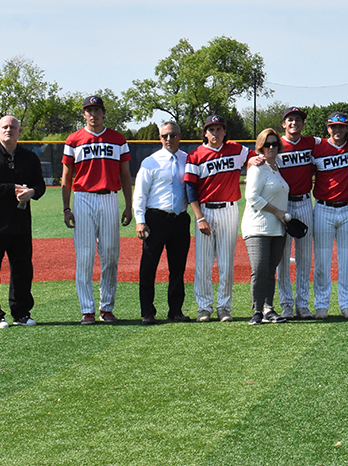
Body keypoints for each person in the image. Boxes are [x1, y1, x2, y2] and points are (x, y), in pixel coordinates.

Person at [62, 95, 133, 324]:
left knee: (111, 255)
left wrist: (128, 206)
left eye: (97, 110)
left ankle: (107, 307)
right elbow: (66, 177)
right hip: (82, 198)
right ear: (84, 114)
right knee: (84, 257)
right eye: (89, 110)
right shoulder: (74, 140)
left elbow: (125, 175)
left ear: (104, 113)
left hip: (110, 198)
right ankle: (87, 310)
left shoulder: (117, 139)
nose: (93, 114)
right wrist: (66, 207)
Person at [0, 115, 46, 328]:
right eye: (4, 127)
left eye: (12, 127)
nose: (8, 130)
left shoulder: (29, 158)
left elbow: (40, 187)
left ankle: (21, 313)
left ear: (19, 132)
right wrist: (14, 189)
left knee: (22, 271)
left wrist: (32, 192)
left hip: (20, 226)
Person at [185, 114, 252, 322]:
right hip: (205, 210)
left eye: (219, 129)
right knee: (204, 263)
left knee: (226, 261)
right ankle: (204, 307)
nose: (215, 133)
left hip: (229, 209)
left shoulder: (237, 149)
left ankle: (224, 307)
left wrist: (254, 163)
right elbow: (189, 188)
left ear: (225, 131)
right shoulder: (195, 155)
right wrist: (199, 217)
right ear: (205, 133)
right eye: (211, 129)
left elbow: (256, 156)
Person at [133, 121, 191, 325]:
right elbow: (140, 193)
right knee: (148, 267)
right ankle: (147, 311)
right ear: (160, 138)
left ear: (180, 136)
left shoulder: (187, 159)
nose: (169, 139)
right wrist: (140, 221)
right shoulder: (151, 162)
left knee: (178, 268)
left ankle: (175, 310)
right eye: (165, 135)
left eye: (173, 135)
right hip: (156, 219)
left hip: (180, 219)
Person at [311, 111, 348, 319]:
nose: (338, 130)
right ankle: (321, 304)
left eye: (342, 127)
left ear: (347, 128)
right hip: (323, 208)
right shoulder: (318, 148)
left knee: (346, 260)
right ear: (328, 128)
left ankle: (346, 304)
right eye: (334, 127)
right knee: (322, 260)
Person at [243, 128, 291, 325]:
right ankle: (256, 311)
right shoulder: (257, 167)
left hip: (278, 228)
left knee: (271, 269)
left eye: (274, 144)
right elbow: (252, 197)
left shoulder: (277, 168)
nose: (271, 147)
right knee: (260, 268)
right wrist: (276, 211)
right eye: (267, 144)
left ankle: (269, 309)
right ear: (260, 147)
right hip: (257, 227)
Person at [275, 106, 318, 320]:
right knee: (282, 258)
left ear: (303, 124)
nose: (294, 123)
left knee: (304, 257)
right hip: (282, 206)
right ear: (284, 124)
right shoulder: (276, 144)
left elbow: (330, 142)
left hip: (303, 203)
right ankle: (286, 305)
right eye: (290, 119)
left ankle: (302, 304)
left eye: (298, 119)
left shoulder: (311, 142)